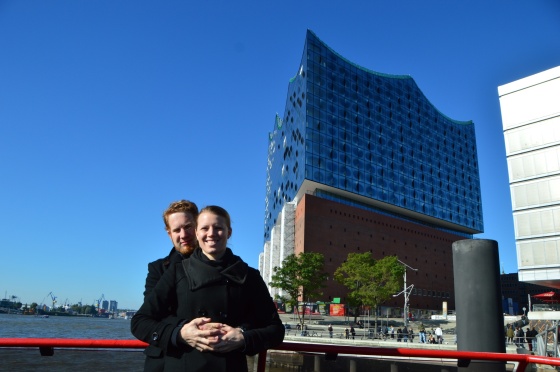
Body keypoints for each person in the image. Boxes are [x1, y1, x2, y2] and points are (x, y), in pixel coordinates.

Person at [132, 205, 285, 371]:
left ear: (229, 232)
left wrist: (243, 337)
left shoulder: (250, 276)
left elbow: (275, 329)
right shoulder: (176, 271)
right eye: (205, 228)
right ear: (197, 233)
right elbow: (140, 321)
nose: (211, 233)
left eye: (218, 228)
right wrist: (180, 334)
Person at [141, 200, 199, 371]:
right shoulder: (158, 269)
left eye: (188, 227)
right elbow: (151, 313)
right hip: (164, 360)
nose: (183, 234)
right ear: (169, 234)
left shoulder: (220, 266)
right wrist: (184, 328)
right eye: (176, 230)